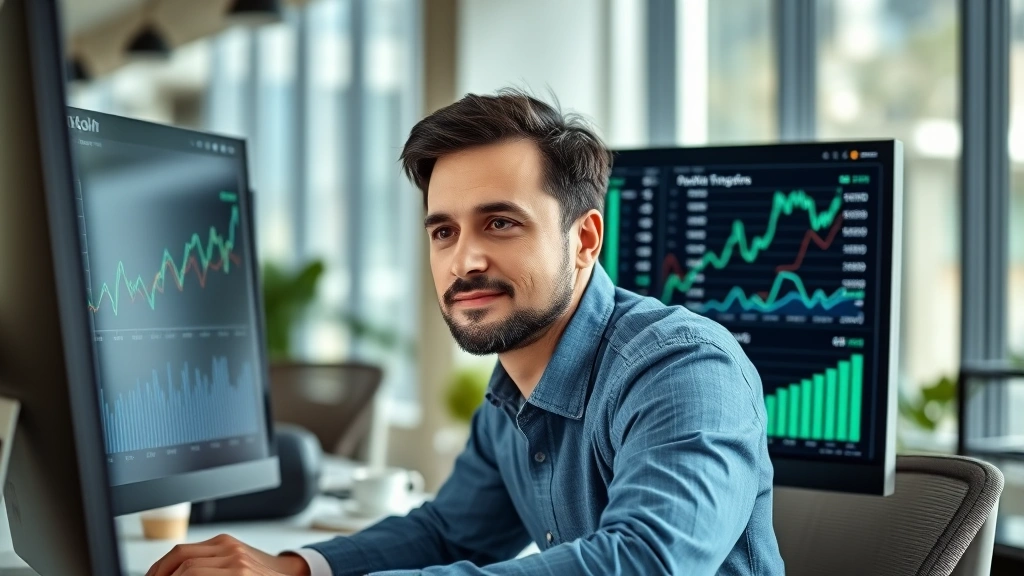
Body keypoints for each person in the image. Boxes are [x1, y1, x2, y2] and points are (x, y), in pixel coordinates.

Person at [146, 89, 785, 576]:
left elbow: (642, 562)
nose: (464, 260)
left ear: (585, 239)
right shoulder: (513, 388)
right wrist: (294, 569)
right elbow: (449, 533)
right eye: (444, 231)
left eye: (500, 223)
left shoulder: (683, 368)